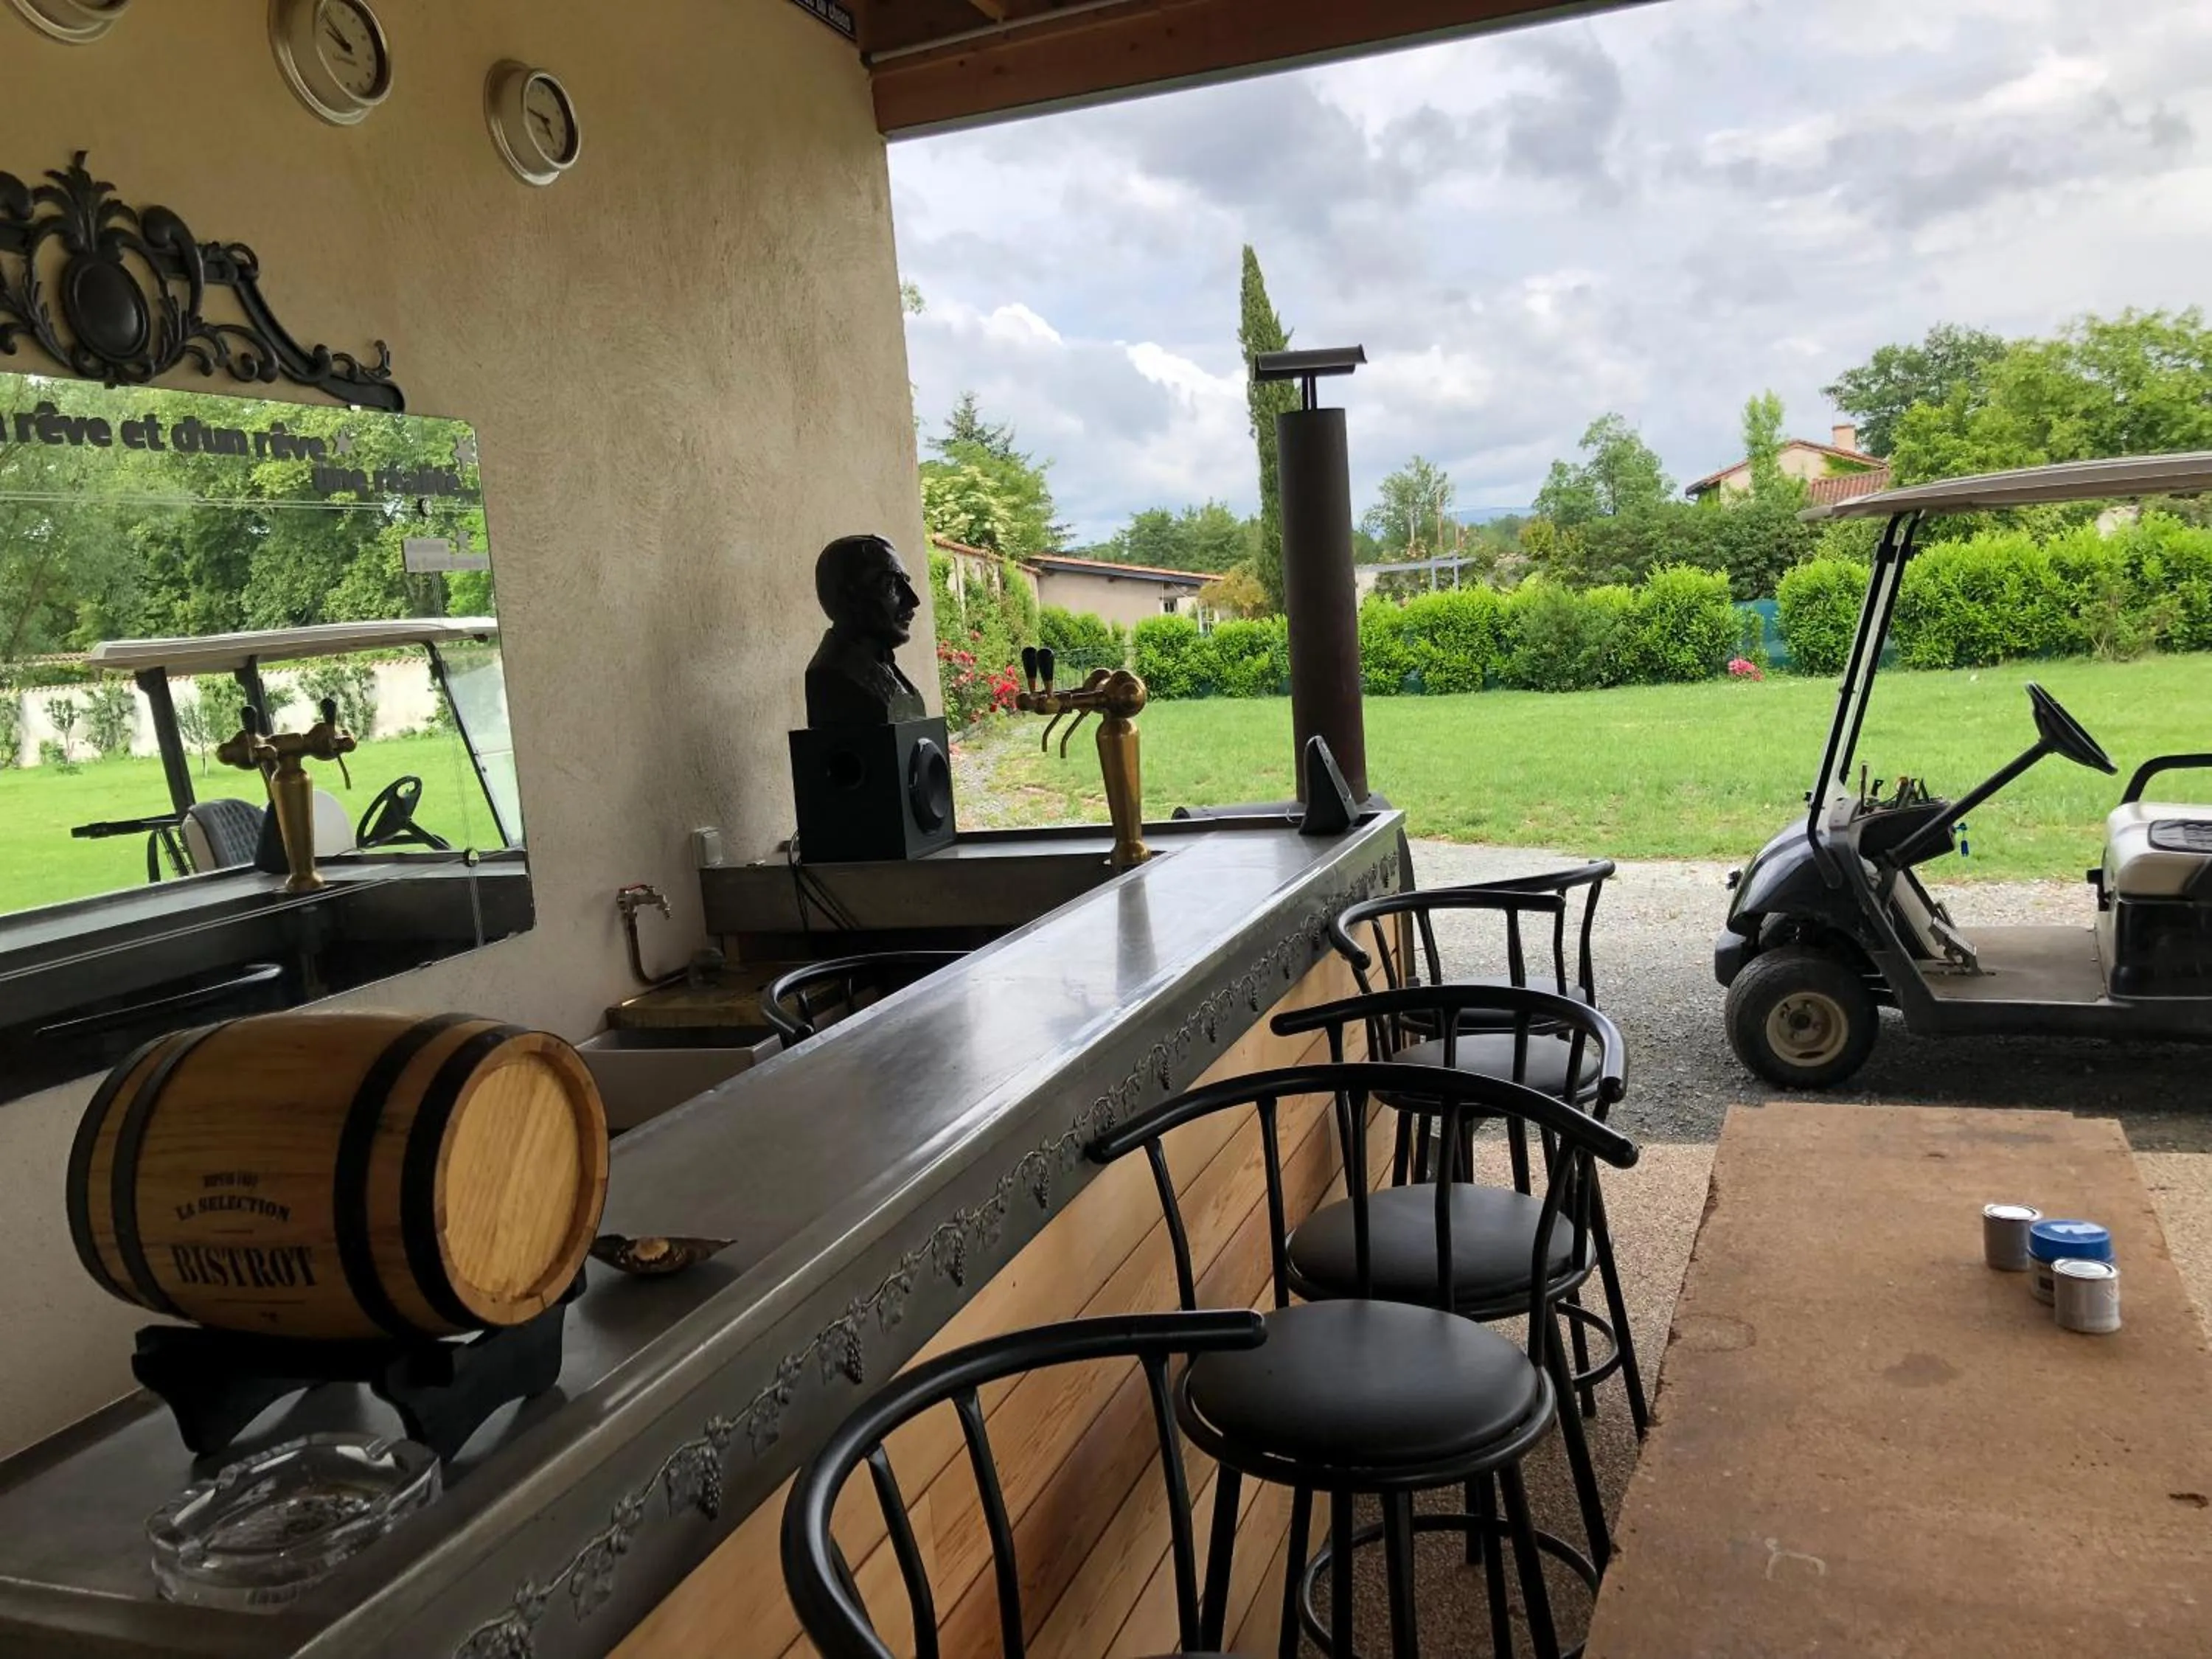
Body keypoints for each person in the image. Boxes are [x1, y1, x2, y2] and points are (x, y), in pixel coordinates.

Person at [804, 533, 925, 728]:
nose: (913, 600)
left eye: (906, 583)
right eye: (891, 585)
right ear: (850, 596)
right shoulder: (833, 675)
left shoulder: (884, 665)